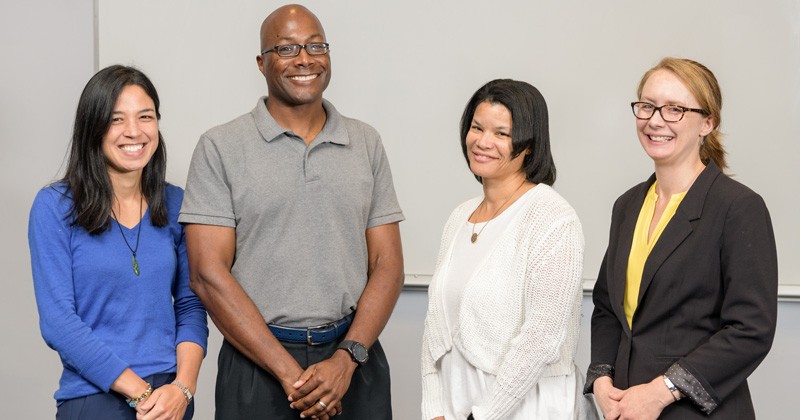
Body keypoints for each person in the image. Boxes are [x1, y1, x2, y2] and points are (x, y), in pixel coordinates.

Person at [179, 4, 404, 420]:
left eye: (316, 45)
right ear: (261, 63)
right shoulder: (220, 147)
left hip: (353, 359)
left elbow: (387, 263)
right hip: (257, 364)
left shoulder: (366, 142)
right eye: (287, 48)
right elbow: (207, 275)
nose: (305, 58)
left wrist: (346, 360)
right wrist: (291, 375)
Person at [584, 57, 778, 419]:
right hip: (624, 408)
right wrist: (601, 378)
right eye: (647, 106)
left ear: (708, 122)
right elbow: (608, 307)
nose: (655, 120)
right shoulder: (627, 205)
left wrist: (661, 392)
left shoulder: (738, 208)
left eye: (675, 109)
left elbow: (751, 329)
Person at [28, 65, 208, 419]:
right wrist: (141, 393)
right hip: (97, 398)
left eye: (146, 116)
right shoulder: (54, 207)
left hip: (170, 401)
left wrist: (183, 390)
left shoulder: (176, 204)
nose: (134, 131)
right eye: (116, 120)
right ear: (92, 127)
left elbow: (190, 306)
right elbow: (58, 321)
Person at [421, 79, 596, 420]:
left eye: (501, 133)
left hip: (527, 406)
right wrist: (433, 409)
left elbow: (541, 337)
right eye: (476, 128)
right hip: (455, 403)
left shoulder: (553, 217)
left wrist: (485, 415)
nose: (483, 142)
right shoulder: (459, 216)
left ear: (528, 144)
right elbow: (434, 326)